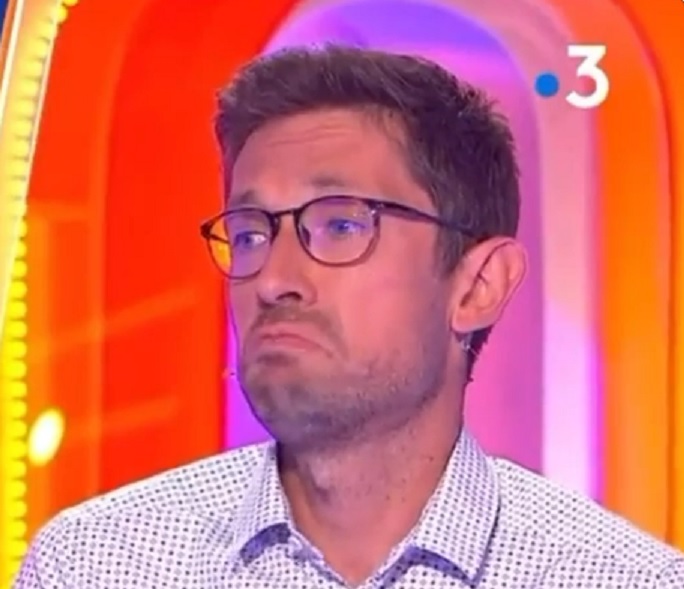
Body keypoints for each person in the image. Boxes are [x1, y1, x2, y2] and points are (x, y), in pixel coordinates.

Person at [13, 45, 684, 589]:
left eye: (340, 224)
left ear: (479, 285)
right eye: (250, 233)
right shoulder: (97, 564)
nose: (273, 279)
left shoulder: (620, 578)